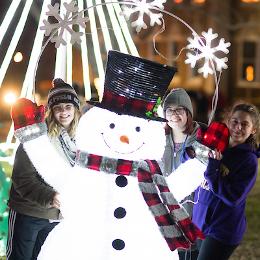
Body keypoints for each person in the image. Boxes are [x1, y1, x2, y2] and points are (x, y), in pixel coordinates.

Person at [6, 78, 81, 260]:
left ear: (76, 109)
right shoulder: (36, 137)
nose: (64, 112)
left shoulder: (81, 140)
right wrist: (50, 196)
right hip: (28, 213)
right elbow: (23, 179)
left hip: (57, 218)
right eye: (58, 107)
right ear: (51, 111)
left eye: (68, 107)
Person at [193, 102, 260, 260]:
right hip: (200, 221)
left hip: (222, 229)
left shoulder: (248, 160)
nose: (238, 127)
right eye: (235, 122)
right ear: (228, 122)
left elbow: (233, 197)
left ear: (253, 130)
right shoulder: (215, 144)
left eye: (245, 124)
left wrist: (212, 171)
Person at [161, 88, 204, 260]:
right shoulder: (158, 139)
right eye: (169, 109)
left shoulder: (201, 139)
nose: (174, 114)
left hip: (191, 213)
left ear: (188, 112)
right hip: (165, 214)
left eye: (179, 109)